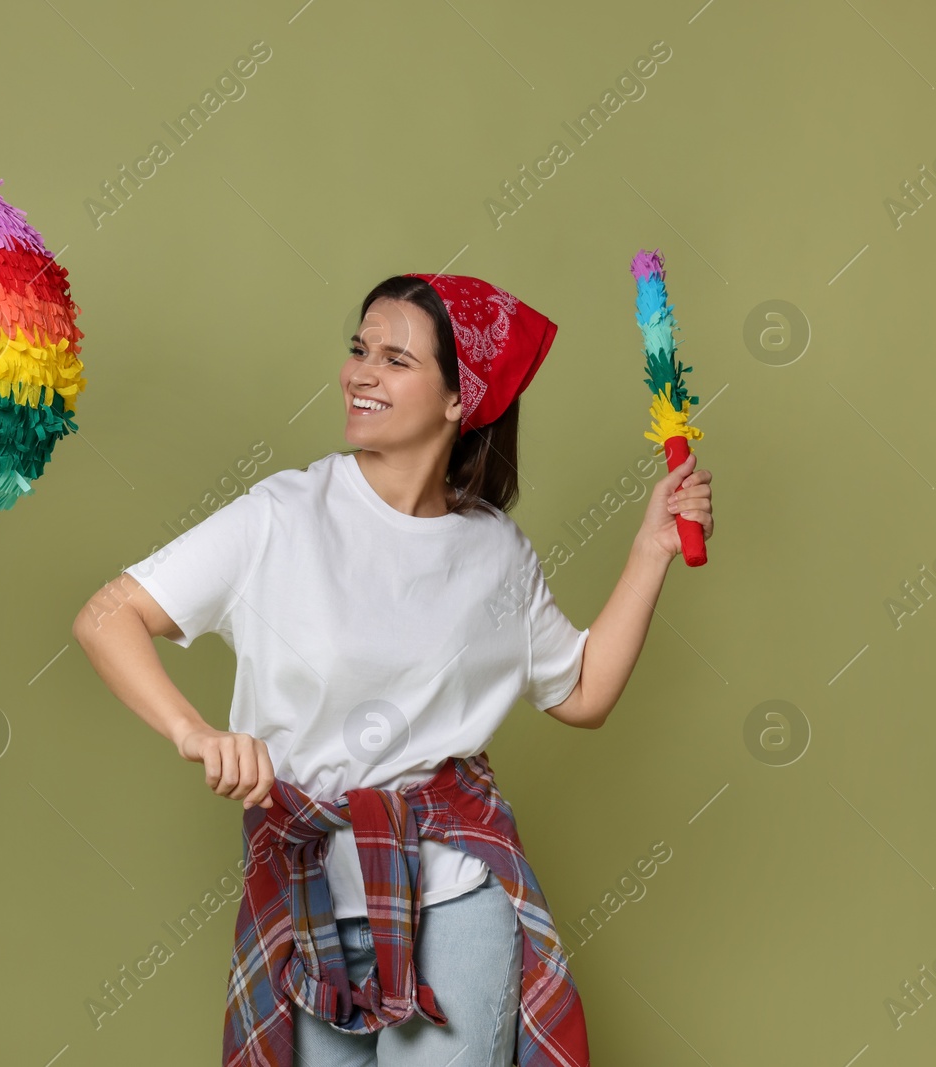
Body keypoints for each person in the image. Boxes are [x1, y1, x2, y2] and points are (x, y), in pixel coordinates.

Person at [72, 273, 714, 1066]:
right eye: (358, 349)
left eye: (395, 358)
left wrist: (651, 549)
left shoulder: (494, 551)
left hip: (456, 890)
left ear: (458, 399)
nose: (360, 373)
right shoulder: (282, 516)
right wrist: (195, 731)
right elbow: (107, 616)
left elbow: (581, 692)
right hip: (309, 892)